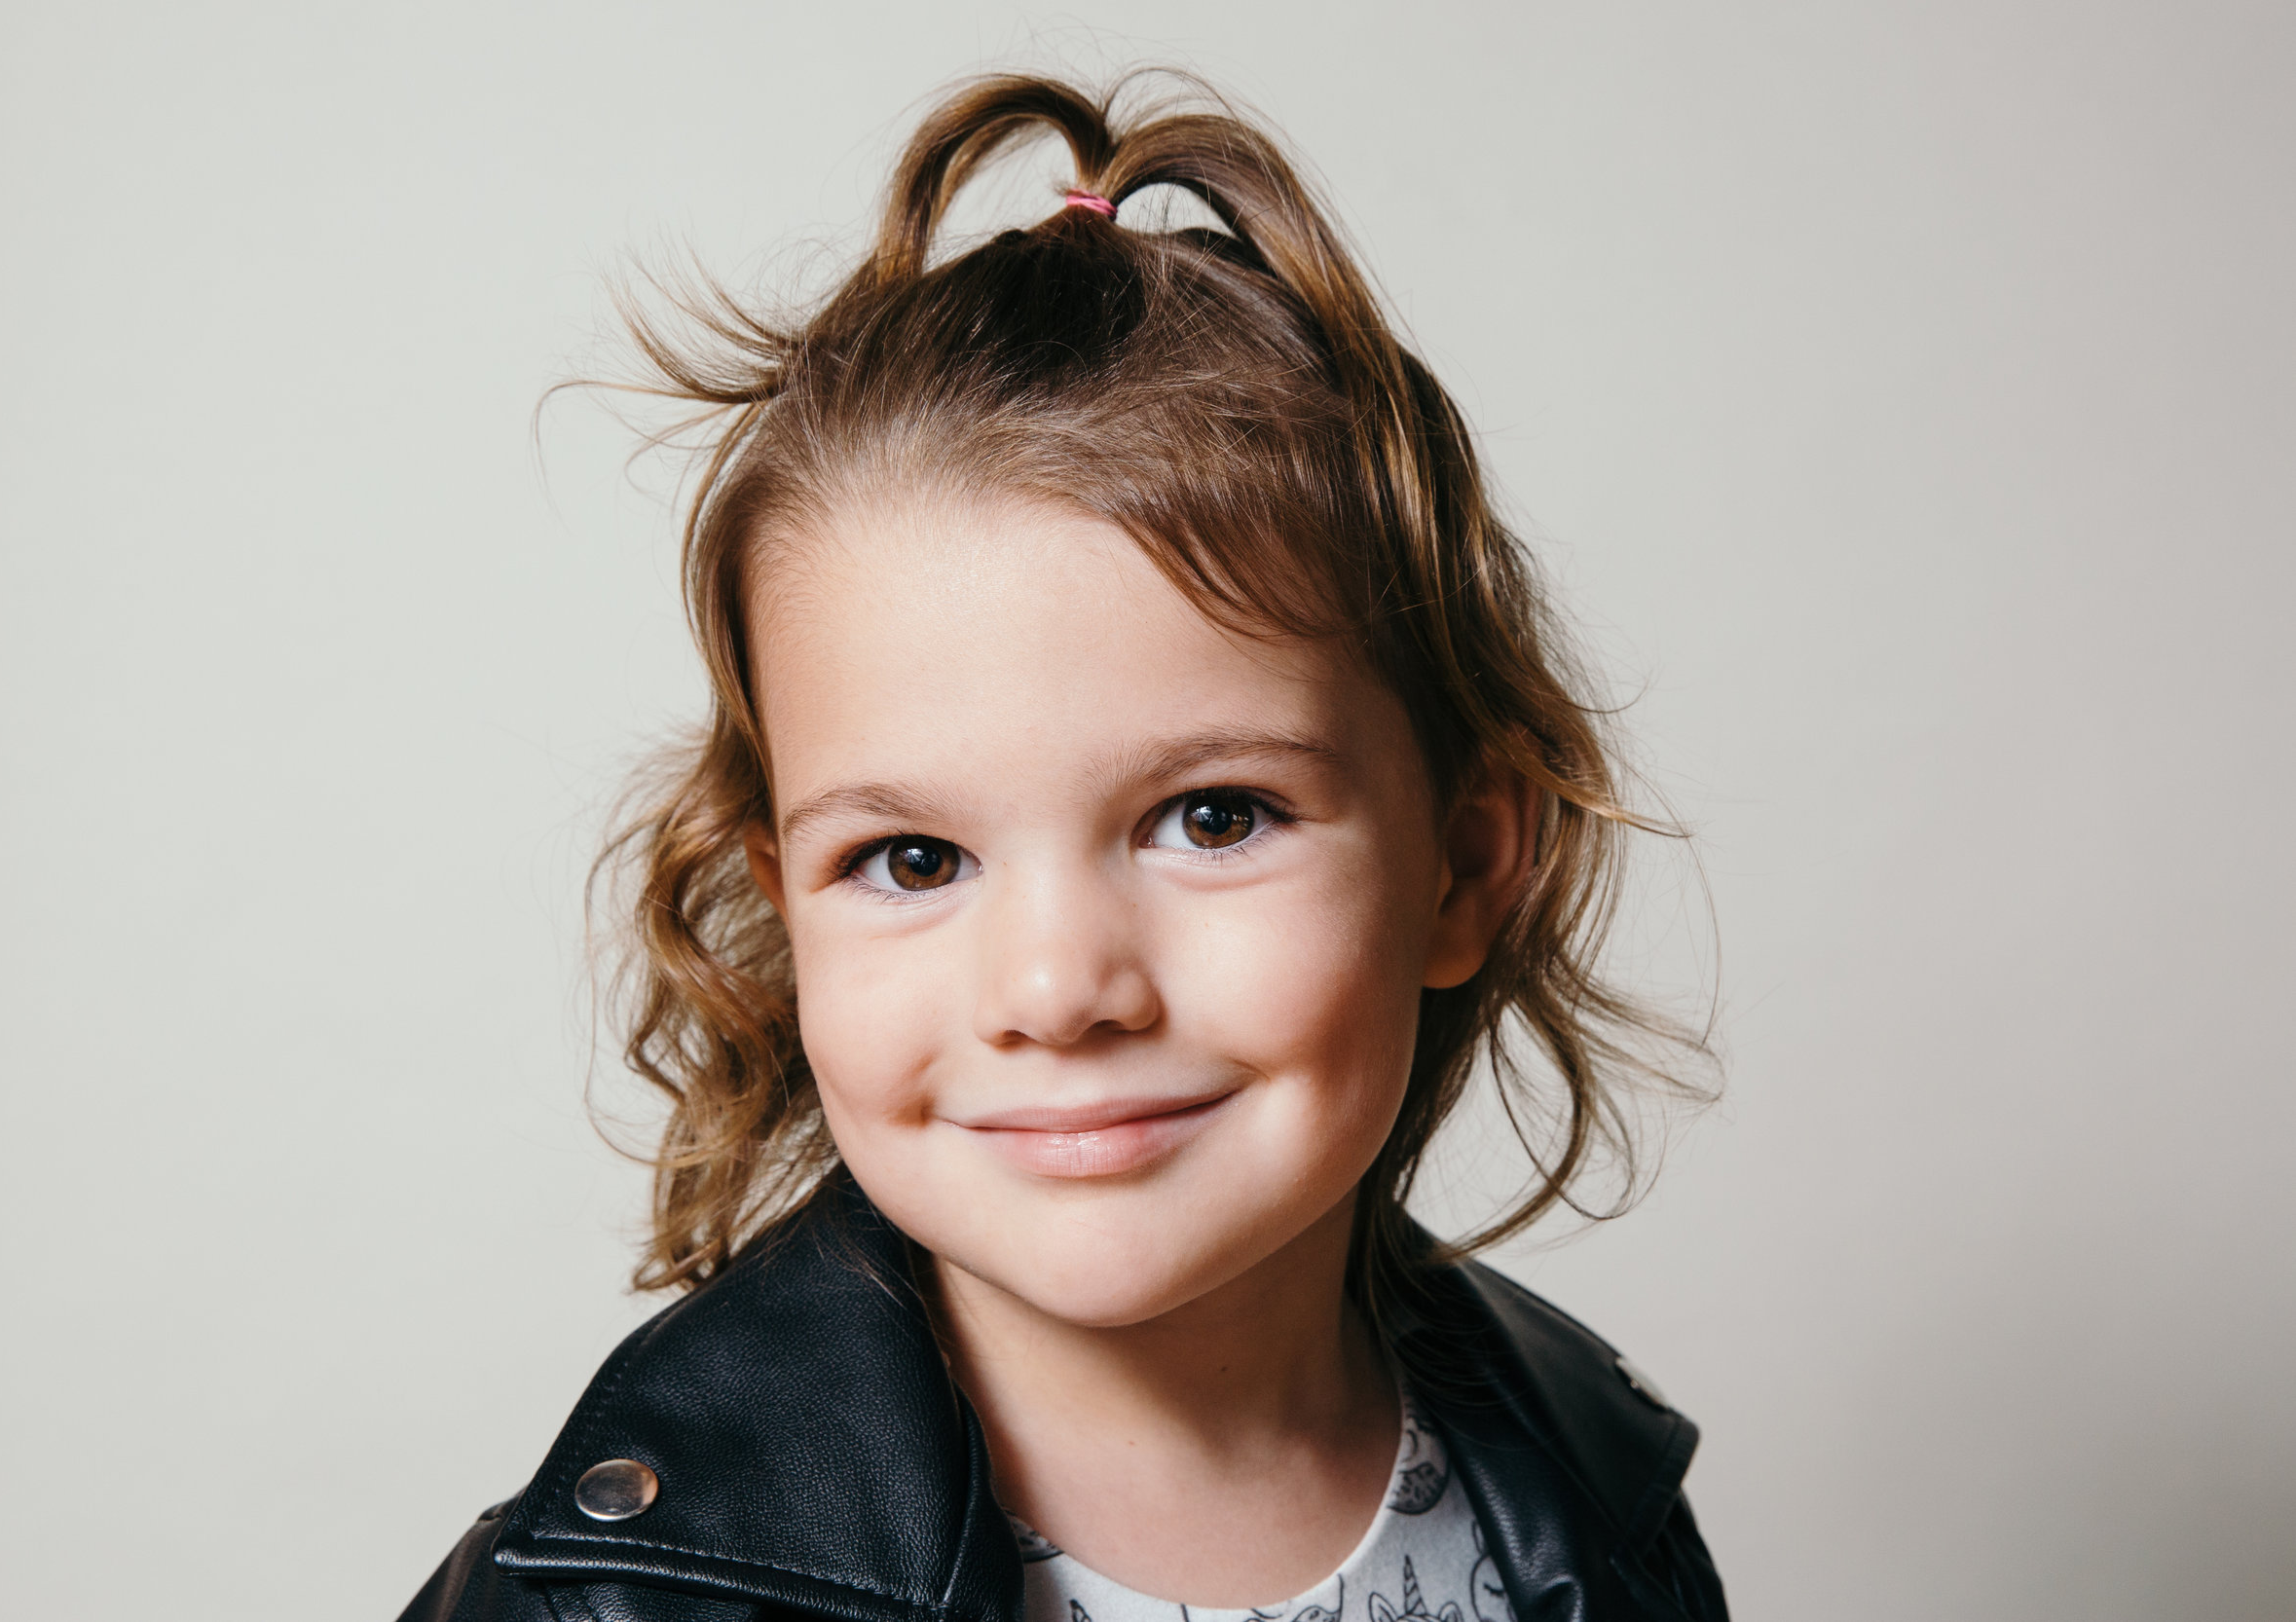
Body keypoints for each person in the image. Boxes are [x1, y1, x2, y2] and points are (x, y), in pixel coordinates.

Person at [402, 71, 1724, 1622]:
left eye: (1213, 816)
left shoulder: (1592, 1498)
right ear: (783, 906)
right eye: (910, 858)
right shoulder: (611, 1596)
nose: (1056, 986)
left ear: (1468, 864)